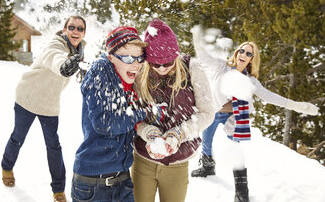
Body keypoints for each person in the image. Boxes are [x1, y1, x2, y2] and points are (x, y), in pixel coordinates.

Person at [190, 34, 319, 202]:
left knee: (235, 152)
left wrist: (295, 105)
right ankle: (207, 167)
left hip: (232, 117)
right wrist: (198, 40)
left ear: (251, 59)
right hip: (213, 113)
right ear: (236, 53)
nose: (243, 55)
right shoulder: (222, 67)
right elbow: (204, 57)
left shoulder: (250, 80)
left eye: (248, 53)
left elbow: (269, 96)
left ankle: (241, 192)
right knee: (206, 141)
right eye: (241, 51)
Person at [1, 15, 87, 202]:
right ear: (64, 30)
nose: (75, 31)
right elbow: (55, 58)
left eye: (80, 29)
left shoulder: (79, 52)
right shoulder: (55, 45)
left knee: (53, 146)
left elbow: (77, 68)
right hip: (28, 98)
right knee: (18, 137)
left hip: (49, 103)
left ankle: (58, 190)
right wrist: (63, 66)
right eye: (71, 27)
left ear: (83, 33)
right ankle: (6, 167)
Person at [132, 19, 215, 202]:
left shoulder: (192, 68)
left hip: (178, 162)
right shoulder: (140, 73)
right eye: (155, 64)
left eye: (168, 63)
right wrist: (149, 132)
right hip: (143, 160)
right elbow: (134, 115)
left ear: (175, 55)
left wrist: (179, 133)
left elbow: (207, 113)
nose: (161, 68)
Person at [71, 26, 147, 202]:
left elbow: (127, 123)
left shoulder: (128, 82)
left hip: (122, 180)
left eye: (139, 58)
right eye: (128, 58)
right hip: (93, 186)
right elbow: (105, 123)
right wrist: (142, 113)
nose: (135, 64)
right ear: (110, 56)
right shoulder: (101, 69)